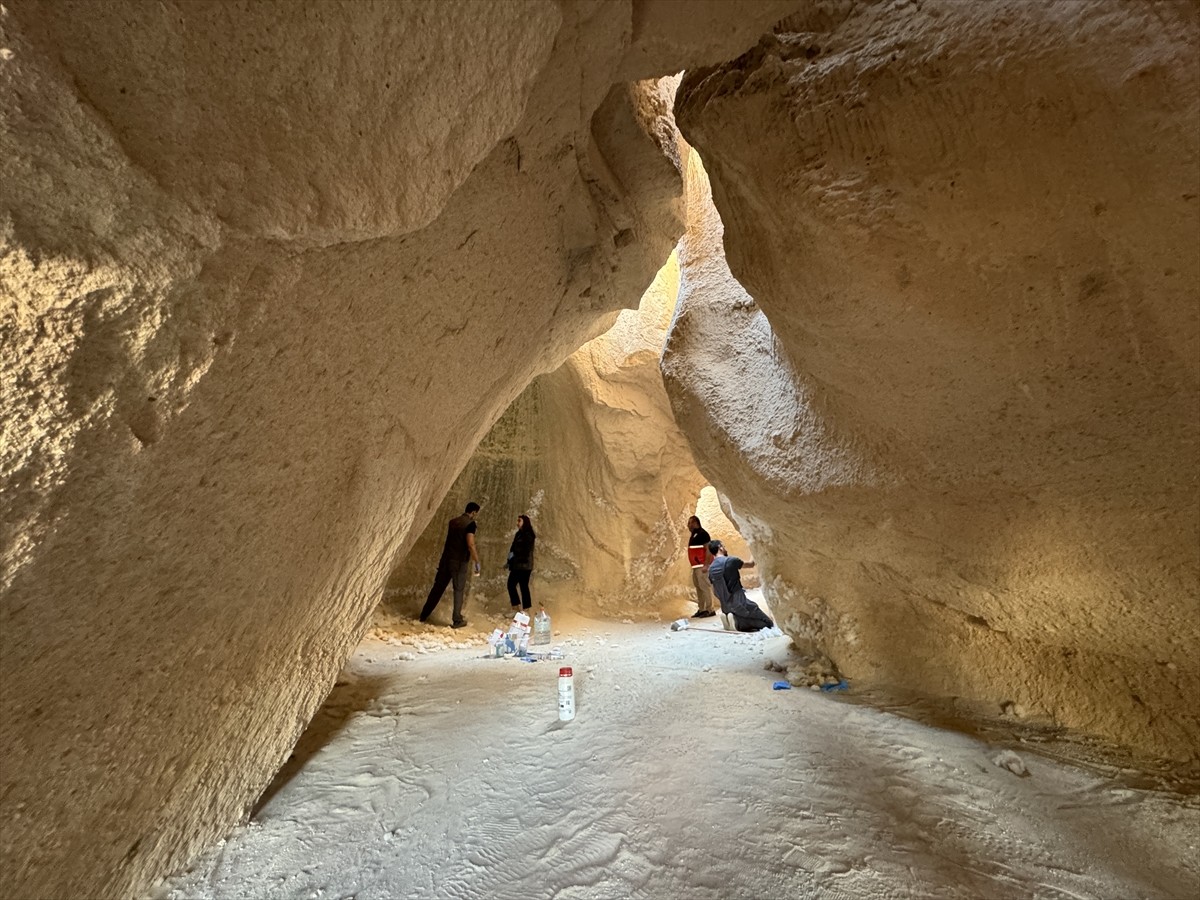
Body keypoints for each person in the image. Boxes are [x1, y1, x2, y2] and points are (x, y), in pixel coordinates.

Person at [419, 502, 481, 628]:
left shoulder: (453, 522)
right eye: (476, 513)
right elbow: (470, 544)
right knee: (458, 590)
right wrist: (476, 561)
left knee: (437, 588)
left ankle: (424, 615)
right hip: (459, 562)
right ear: (473, 512)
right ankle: (457, 620)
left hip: (446, 560)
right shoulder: (471, 524)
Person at [706, 540, 774, 632]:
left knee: (745, 614)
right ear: (720, 548)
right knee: (767, 623)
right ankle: (738, 622)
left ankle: (729, 618)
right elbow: (751, 564)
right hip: (740, 602)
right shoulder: (731, 561)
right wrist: (754, 547)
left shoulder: (711, 569)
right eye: (724, 546)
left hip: (725, 606)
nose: (725, 549)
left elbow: (715, 591)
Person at [686, 515, 716, 618]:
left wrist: (706, 564)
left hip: (701, 566)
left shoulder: (703, 534)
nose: (688, 525)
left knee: (705, 587)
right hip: (696, 566)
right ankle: (702, 609)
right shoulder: (694, 535)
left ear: (696, 523)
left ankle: (710, 609)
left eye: (690, 523)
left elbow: (708, 550)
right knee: (699, 587)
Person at [506, 514, 537, 611]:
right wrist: (509, 560)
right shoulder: (518, 534)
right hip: (517, 565)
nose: (517, 523)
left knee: (523, 586)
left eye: (519, 521)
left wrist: (515, 556)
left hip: (524, 565)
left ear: (525, 522)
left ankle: (525, 610)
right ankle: (516, 607)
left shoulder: (528, 535)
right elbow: (513, 548)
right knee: (511, 584)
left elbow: (525, 550)